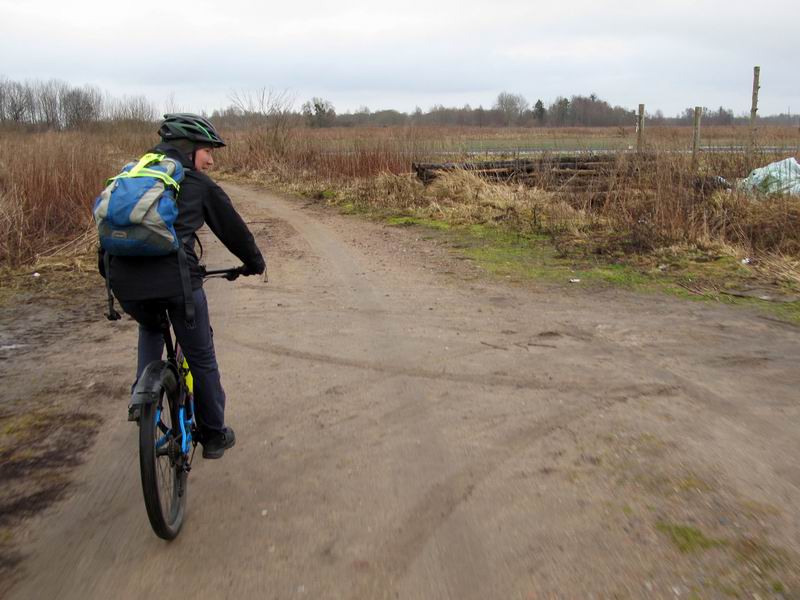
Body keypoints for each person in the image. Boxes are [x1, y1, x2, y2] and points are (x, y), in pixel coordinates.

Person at [99, 113, 265, 459]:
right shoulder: (197, 185)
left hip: (125, 284)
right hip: (178, 285)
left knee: (150, 326)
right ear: (188, 150)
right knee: (201, 356)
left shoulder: (134, 176)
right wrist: (253, 264)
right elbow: (234, 231)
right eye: (207, 151)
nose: (212, 159)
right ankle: (215, 433)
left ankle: (140, 400)